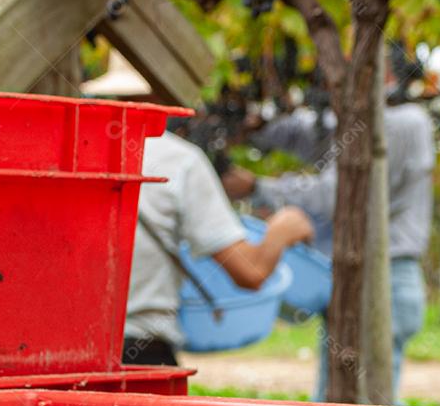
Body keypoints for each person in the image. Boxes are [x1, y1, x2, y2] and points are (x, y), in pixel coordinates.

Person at [224, 101, 435, 404]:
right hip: (359, 282)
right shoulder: (356, 125)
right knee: (336, 402)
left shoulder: (402, 123)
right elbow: (315, 138)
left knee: (370, 404)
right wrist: (259, 128)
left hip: (384, 282)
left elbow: (337, 192)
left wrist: (258, 187)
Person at [123, 127, 314, 367]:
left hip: (67, 353)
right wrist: (283, 228)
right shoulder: (178, 159)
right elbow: (250, 271)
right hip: (140, 353)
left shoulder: (68, 144)